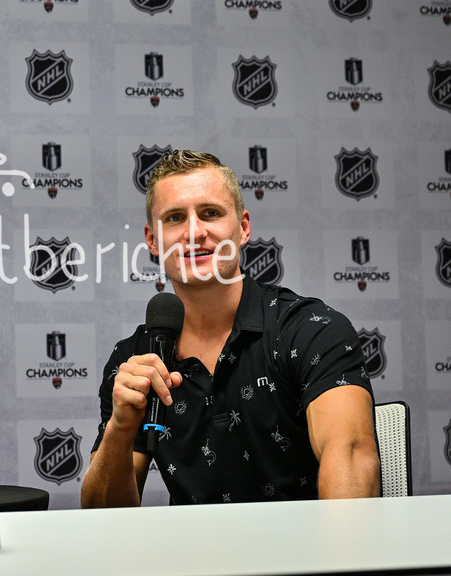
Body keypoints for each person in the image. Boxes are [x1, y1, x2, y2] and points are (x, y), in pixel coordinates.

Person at [80, 150, 380, 506]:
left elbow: (350, 455)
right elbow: (103, 514)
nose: (195, 232)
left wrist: (338, 544)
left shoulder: (311, 329)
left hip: (301, 541)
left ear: (243, 227)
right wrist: (120, 429)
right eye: (175, 218)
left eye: (211, 213)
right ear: (153, 240)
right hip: (193, 544)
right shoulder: (134, 358)